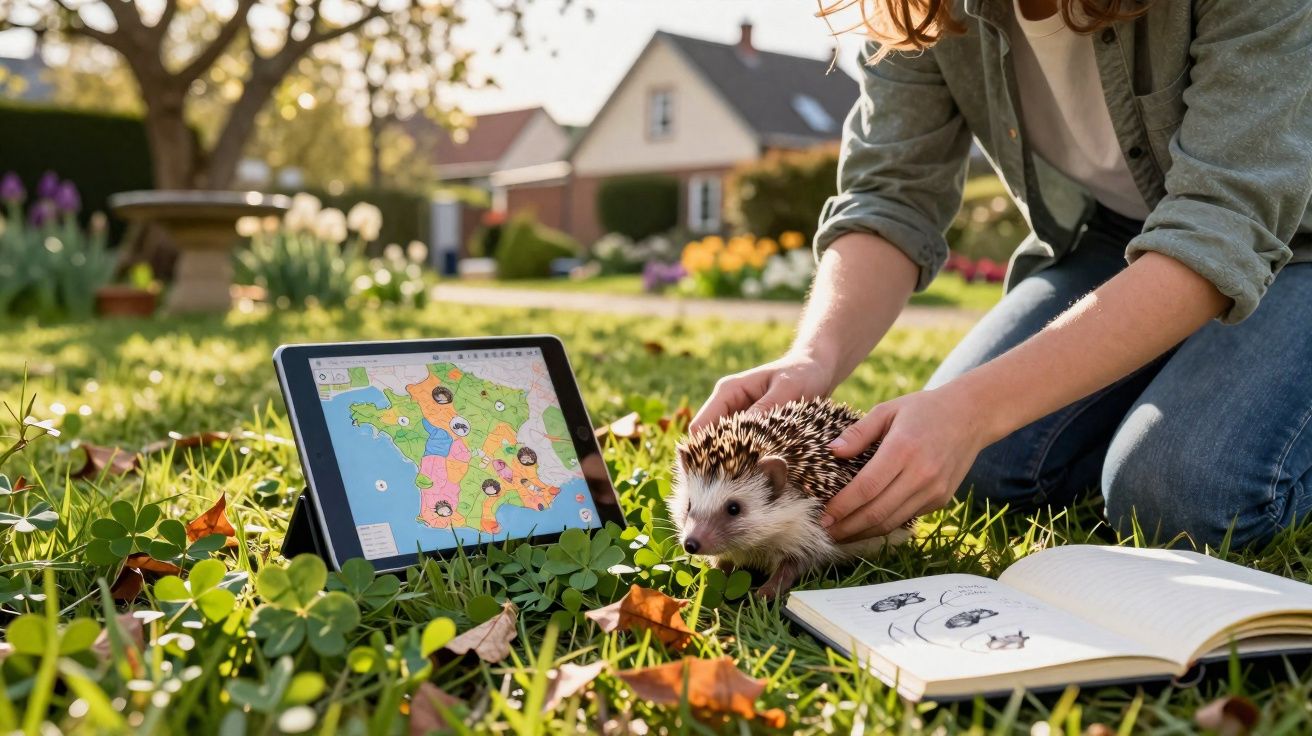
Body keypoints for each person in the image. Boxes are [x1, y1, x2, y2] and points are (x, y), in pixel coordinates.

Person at [690, 0, 1312, 550]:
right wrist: (813, 356)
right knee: (981, 467)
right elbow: (890, 194)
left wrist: (975, 409)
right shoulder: (922, 8)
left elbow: (1221, 223)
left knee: (1183, 496)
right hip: (1119, 235)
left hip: (1293, 240)